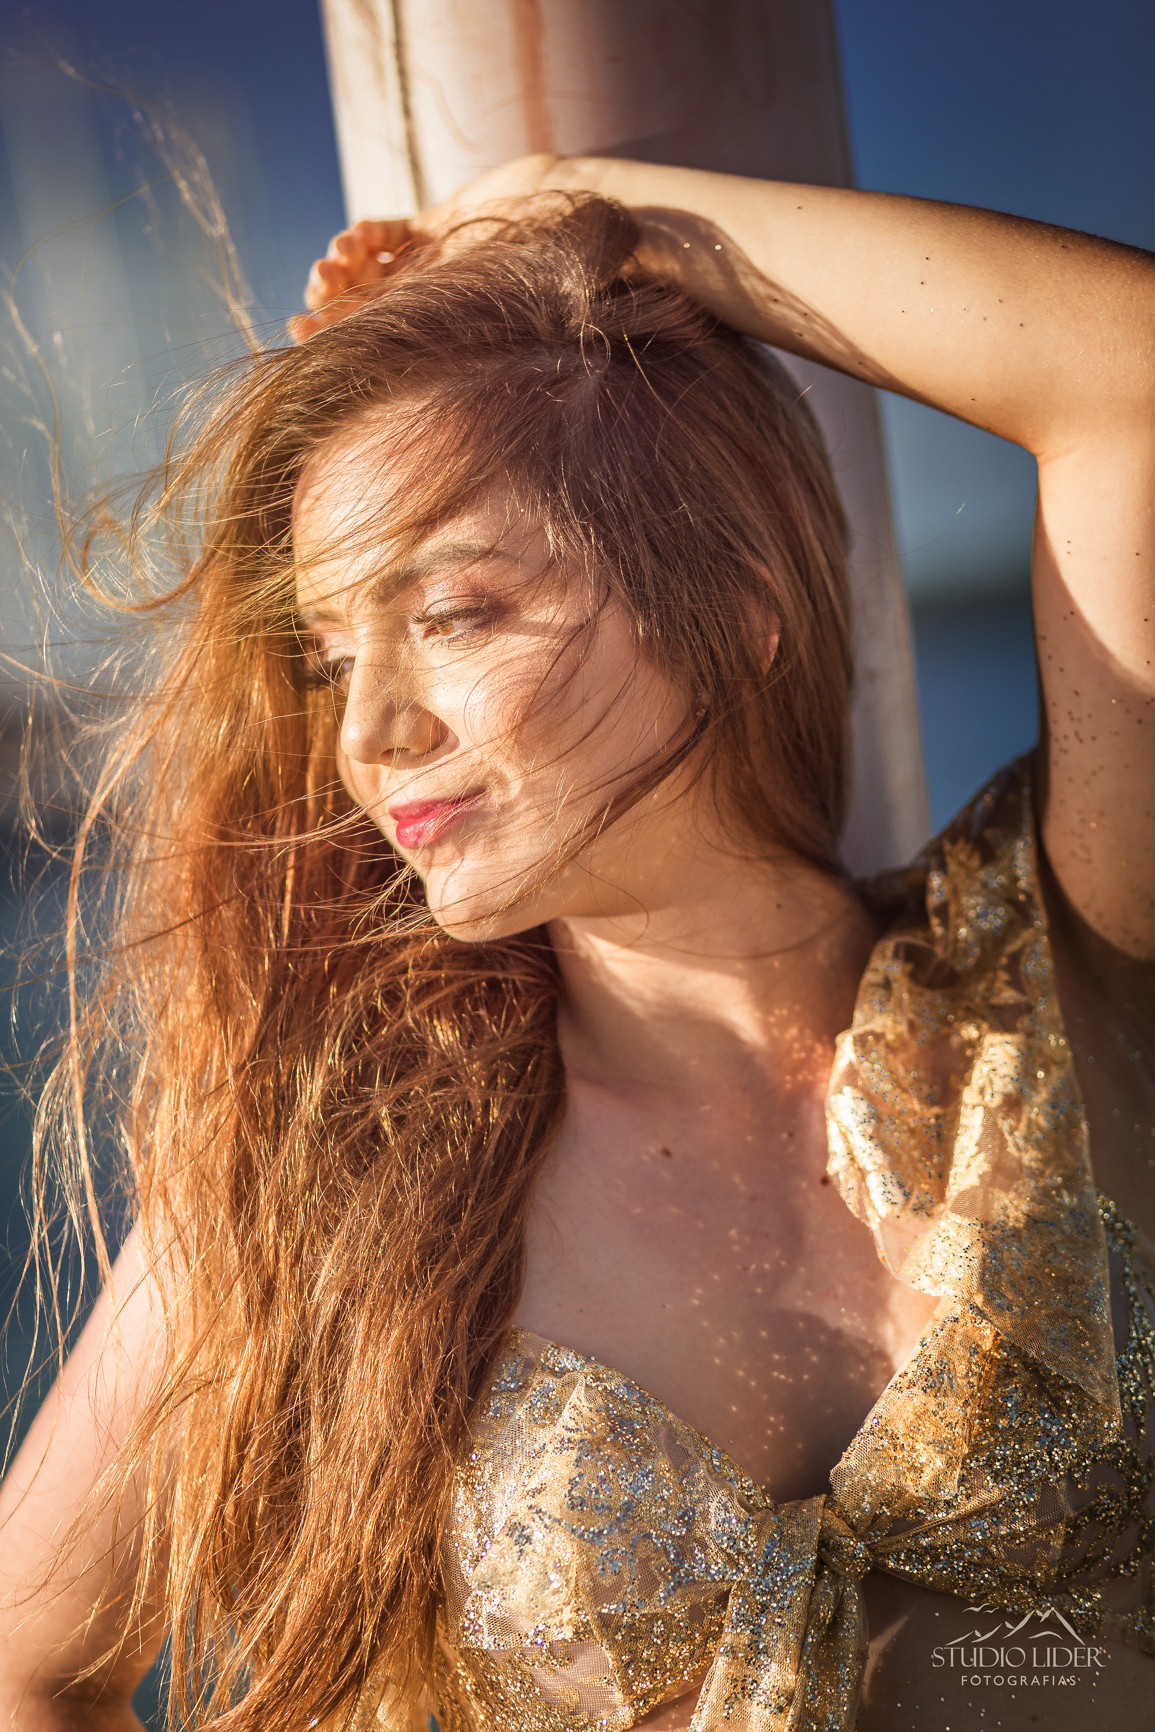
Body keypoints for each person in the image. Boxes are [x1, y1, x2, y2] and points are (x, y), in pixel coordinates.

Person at [0, 152, 1152, 1732]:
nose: (370, 735)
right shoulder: (333, 1161)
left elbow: (1127, 372)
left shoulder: (1065, 971)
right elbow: (25, 1668)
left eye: (458, 614)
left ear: (731, 603)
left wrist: (569, 201)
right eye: (335, 658)